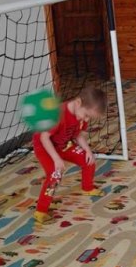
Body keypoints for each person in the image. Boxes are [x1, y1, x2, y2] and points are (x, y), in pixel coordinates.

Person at [32, 86, 107, 223]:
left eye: (89, 117)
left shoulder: (81, 116)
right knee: (55, 174)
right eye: (86, 115)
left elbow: (78, 135)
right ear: (78, 103)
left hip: (63, 144)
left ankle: (88, 187)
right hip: (44, 146)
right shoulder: (58, 114)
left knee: (88, 159)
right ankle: (41, 211)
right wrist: (56, 159)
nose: (86, 120)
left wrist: (88, 150)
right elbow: (44, 138)